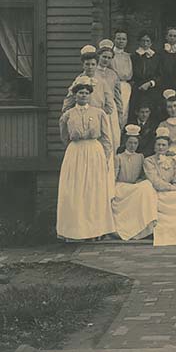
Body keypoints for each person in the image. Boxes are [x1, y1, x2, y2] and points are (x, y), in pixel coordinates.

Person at [57, 76, 115, 240]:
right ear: (75, 95)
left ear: (90, 95)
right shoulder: (67, 115)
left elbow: (106, 139)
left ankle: (94, 231)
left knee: (93, 190)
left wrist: (104, 158)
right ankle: (75, 231)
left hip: (94, 151)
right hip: (75, 152)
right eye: (80, 93)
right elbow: (64, 137)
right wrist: (75, 149)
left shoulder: (99, 113)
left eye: (86, 93)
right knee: (75, 190)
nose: (83, 96)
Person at [112, 124, 158, 241]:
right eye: (130, 143)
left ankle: (146, 225)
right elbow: (114, 176)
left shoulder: (140, 157)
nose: (132, 146)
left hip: (134, 186)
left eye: (135, 143)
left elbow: (143, 174)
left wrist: (139, 180)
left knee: (147, 186)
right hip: (121, 186)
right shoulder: (118, 157)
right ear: (125, 143)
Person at [63, 45, 113, 117]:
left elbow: (109, 103)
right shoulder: (78, 80)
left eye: (93, 64)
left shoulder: (101, 81)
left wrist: (101, 113)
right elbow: (68, 102)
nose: (90, 67)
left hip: (97, 116)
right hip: (81, 115)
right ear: (83, 65)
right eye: (87, 64)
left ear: (96, 65)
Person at [96, 39, 124, 147]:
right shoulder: (92, 72)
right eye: (104, 56)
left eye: (109, 58)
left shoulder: (113, 74)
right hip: (97, 107)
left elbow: (117, 97)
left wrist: (120, 113)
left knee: (112, 139)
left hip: (111, 110)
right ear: (99, 56)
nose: (106, 60)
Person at [130, 31, 160, 119]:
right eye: (143, 41)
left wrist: (150, 83)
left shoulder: (156, 57)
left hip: (152, 89)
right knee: (136, 110)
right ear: (139, 42)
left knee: (152, 111)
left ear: (151, 43)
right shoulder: (134, 56)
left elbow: (160, 75)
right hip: (137, 89)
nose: (145, 43)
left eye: (148, 41)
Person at [111, 30, 133, 123]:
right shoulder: (110, 55)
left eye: (123, 39)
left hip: (125, 86)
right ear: (114, 40)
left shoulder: (128, 56)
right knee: (114, 111)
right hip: (113, 85)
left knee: (124, 111)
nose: (121, 41)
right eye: (119, 38)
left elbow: (129, 74)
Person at [158, 26, 176, 100]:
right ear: (166, 37)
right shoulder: (160, 53)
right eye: (170, 35)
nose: (172, 38)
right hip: (163, 84)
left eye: (174, 36)